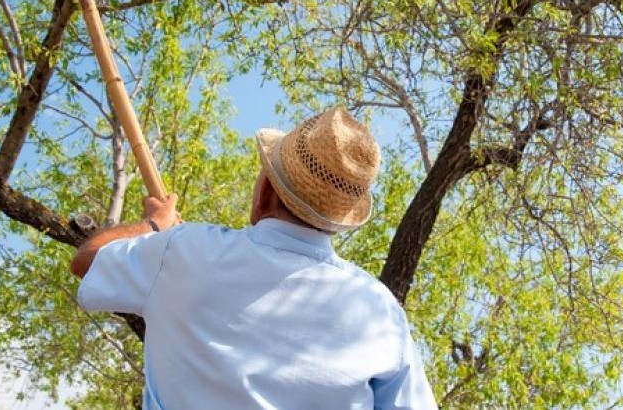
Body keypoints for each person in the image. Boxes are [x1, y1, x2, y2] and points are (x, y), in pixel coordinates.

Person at [70, 108, 438, 409]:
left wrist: (156, 224)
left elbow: (87, 260)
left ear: (264, 191)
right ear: (339, 221)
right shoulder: (379, 311)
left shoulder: (182, 250)